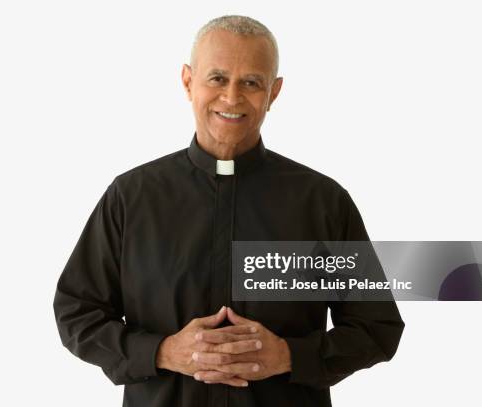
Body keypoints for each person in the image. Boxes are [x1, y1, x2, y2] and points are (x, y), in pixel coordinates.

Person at [53, 15, 404, 407]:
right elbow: (76, 312)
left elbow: (377, 328)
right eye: (217, 78)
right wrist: (163, 351)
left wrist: (289, 356)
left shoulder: (322, 201)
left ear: (274, 92)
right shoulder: (131, 196)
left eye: (252, 82)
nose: (232, 98)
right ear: (188, 81)